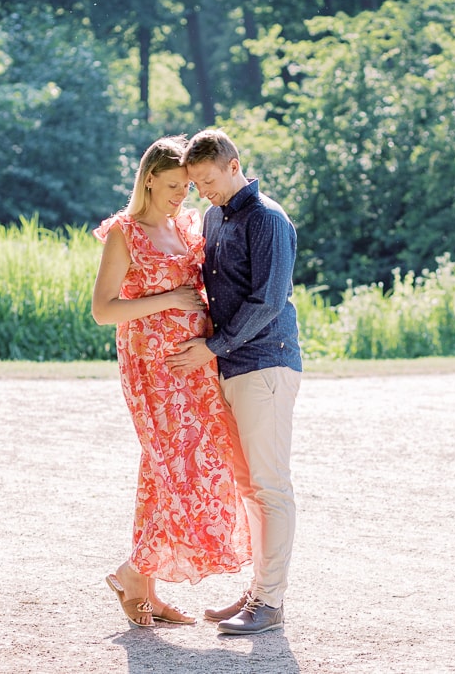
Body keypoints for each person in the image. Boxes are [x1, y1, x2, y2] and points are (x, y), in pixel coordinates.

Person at [91, 135, 250, 628]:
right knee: (170, 466)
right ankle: (136, 573)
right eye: (175, 186)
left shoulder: (186, 225)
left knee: (187, 466)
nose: (184, 195)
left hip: (196, 364)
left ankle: (140, 579)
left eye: (188, 187)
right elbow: (103, 310)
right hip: (152, 368)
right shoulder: (125, 232)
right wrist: (168, 301)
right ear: (149, 179)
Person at [165, 129, 302, 636]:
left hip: (266, 363)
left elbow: (268, 300)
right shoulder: (214, 217)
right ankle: (257, 591)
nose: (204, 191)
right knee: (248, 487)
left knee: (270, 486)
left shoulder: (267, 218)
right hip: (231, 367)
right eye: (196, 184)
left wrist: (213, 347)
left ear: (234, 164)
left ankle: (270, 601)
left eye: (208, 180)